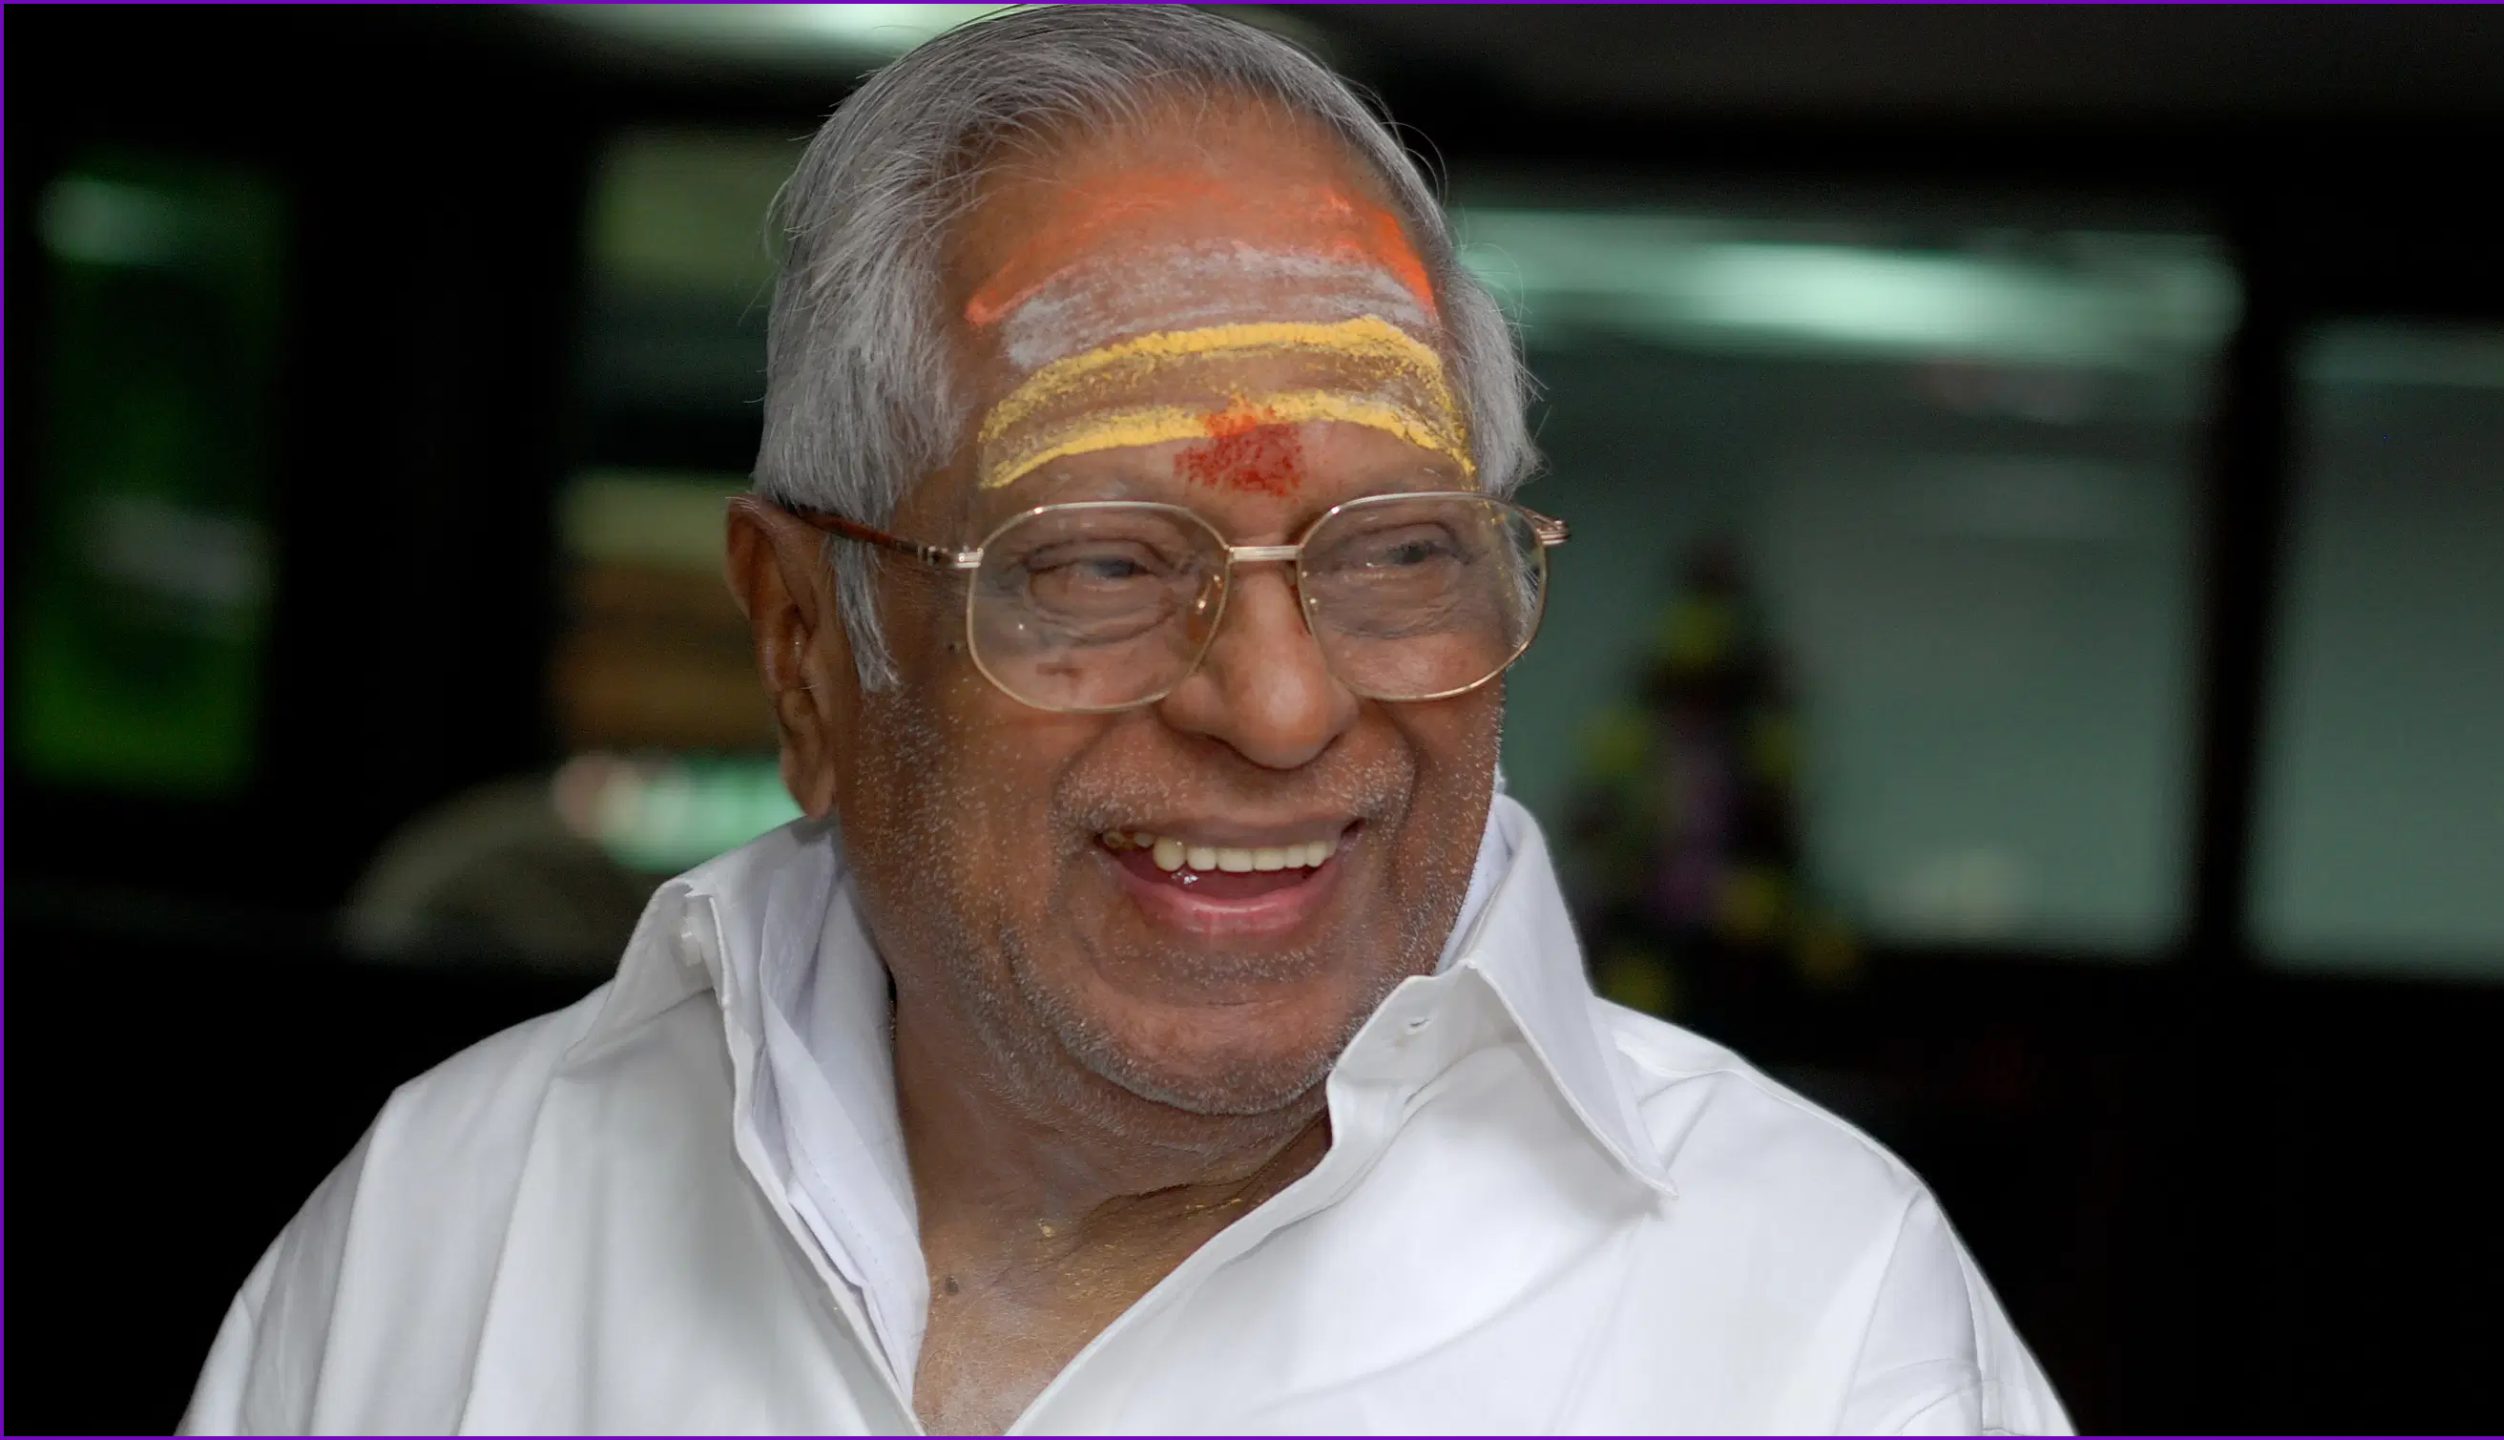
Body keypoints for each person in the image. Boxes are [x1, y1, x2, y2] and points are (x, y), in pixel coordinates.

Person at [179, 8, 2070, 1433]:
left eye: (1399, 553)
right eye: (1095, 564)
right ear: (806, 648)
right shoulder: (457, 1224)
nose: (1281, 703)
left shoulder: (1815, 1322)